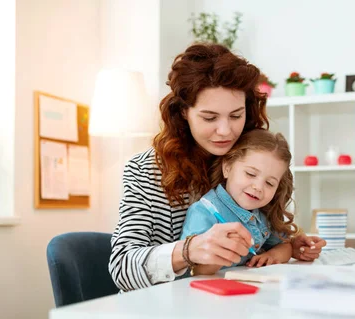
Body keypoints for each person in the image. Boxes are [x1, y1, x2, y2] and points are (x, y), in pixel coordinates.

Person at [109, 43, 326, 291]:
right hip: (163, 310)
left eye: (236, 115)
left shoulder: (251, 161)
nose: (225, 131)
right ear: (183, 113)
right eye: (209, 118)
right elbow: (121, 268)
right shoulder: (145, 169)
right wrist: (188, 250)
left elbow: (259, 239)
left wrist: (287, 244)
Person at [180, 129, 296, 274]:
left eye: (270, 183)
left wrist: (271, 256)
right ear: (227, 167)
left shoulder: (262, 215)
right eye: (250, 174)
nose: (258, 187)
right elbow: (195, 271)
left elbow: (286, 246)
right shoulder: (204, 212)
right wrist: (224, 250)